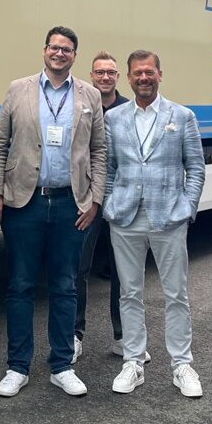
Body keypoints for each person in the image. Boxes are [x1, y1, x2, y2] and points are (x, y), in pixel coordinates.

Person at [0, 26, 106, 398]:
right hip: (24, 202)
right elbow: (0, 141)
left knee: (65, 285)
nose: (59, 53)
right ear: (44, 51)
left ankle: (61, 365)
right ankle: (17, 366)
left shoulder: (89, 94)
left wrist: (95, 200)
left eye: (66, 49)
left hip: (71, 204)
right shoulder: (18, 89)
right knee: (20, 285)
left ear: (74, 55)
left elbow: (99, 149)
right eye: (54, 47)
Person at [103, 51, 206, 398]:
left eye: (149, 72)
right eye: (137, 73)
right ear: (129, 78)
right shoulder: (114, 118)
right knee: (129, 293)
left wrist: (187, 208)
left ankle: (182, 365)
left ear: (160, 74)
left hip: (168, 218)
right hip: (125, 218)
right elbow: (109, 167)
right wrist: (109, 204)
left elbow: (196, 166)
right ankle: (133, 361)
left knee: (176, 293)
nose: (143, 78)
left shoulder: (182, 116)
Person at [75, 51, 128, 362]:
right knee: (78, 268)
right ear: (91, 76)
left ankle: (123, 337)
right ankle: (74, 335)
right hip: (86, 201)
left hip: (121, 202)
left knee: (123, 273)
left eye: (110, 72)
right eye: (99, 72)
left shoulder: (130, 110)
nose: (105, 77)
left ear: (117, 77)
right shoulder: (79, 106)